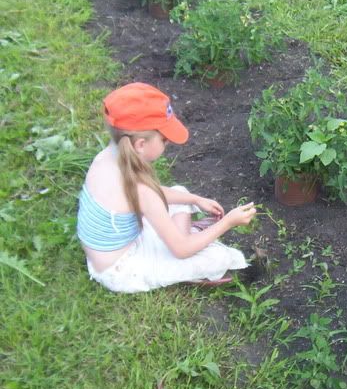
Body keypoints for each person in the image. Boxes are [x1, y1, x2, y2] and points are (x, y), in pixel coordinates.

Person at [77, 82, 257, 293]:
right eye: (164, 140)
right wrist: (228, 222)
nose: (168, 144)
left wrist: (195, 200)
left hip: (107, 252)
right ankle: (190, 247)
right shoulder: (141, 190)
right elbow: (180, 250)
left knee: (181, 193)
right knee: (219, 258)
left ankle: (186, 235)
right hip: (121, 271)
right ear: (140, 145)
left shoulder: (105, 158)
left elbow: (150, 195)